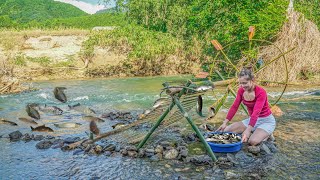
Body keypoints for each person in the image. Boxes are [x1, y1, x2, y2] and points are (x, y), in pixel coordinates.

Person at [217, 67, 276, 146]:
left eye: (245, 83)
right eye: (240, 83)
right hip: (252, 120)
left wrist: (248, 130)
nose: (242, 86)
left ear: (252, 81)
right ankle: (254, 130)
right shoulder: (241, 90)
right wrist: (225, 123)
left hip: (266, 121)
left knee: (252, 142)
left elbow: (256, 112)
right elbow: (234, 107)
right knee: (226, 131)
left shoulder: (261, 92)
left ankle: (267, 134)